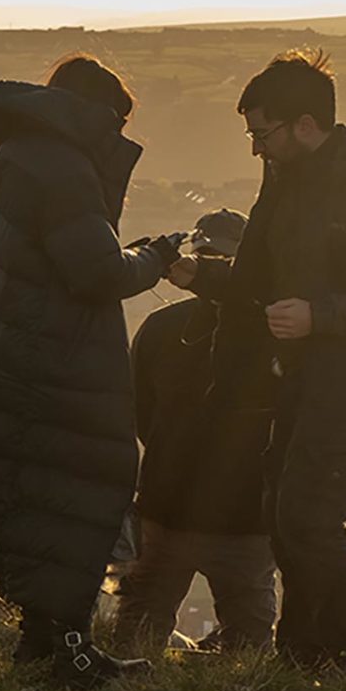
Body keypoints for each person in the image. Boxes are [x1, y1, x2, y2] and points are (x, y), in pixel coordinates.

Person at [175, 50, 346, 672]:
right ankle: (314, 652)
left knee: (308, 517)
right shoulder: (285, 182)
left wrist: (321, 315)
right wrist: (198, 276)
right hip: (303, 375)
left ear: (305, 125)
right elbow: (257, 275)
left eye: (262, 134)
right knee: (285, 515)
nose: (257, 149)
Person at [0, 55, 178, 687]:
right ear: (98, 115)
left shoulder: (0, 167)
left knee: (32, 499)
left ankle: (42, 642)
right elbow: (100, 271)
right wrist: (155, 256)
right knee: (86, 492)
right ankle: (69, 649)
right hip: (61, 366)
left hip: (2, 365)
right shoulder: (65, 170)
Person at [110, 208, 278, 656]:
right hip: (240, 516)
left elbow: (140, 416)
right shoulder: (274, 333)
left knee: (138, 634)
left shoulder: (162, 328)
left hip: (173, 509)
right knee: (249, 646)